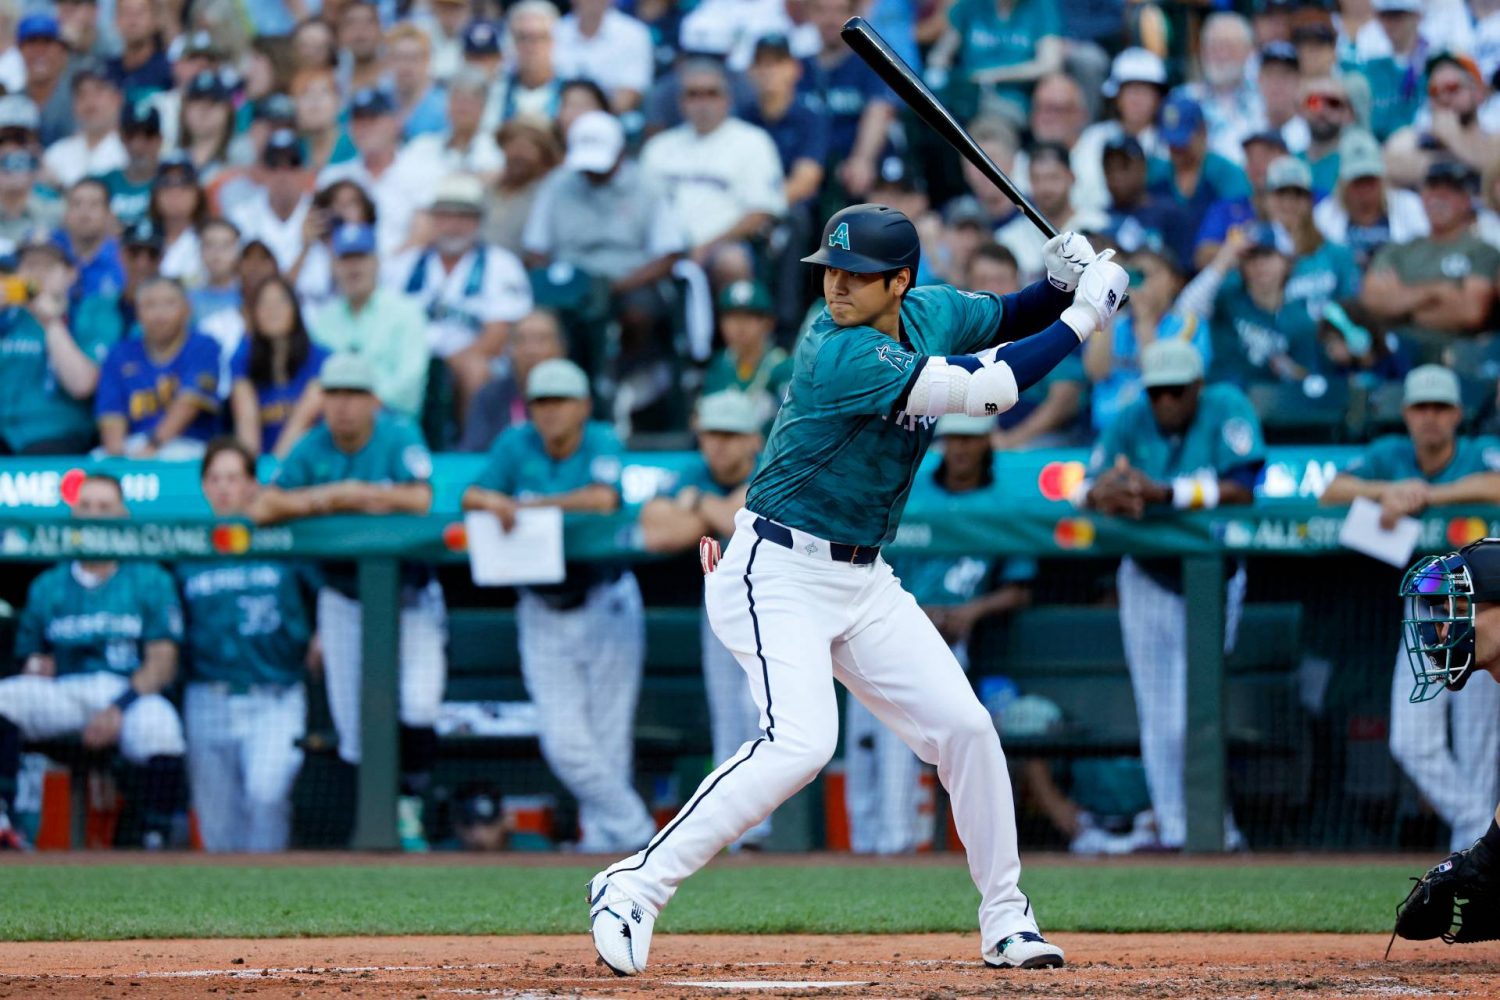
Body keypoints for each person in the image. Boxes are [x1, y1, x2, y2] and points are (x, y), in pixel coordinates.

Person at [587, 205, 1130, 975]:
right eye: (830, 270)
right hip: (774, 569)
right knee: (803, 743)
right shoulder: (834, 347)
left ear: (900, 282)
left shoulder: (931, 310)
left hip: (862, 577)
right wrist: (1085, 316)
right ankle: (633, 886)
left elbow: (1010, 315)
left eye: (856, 274)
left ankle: (1006, 919)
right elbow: (992, 389)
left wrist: (1057, 280)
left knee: (968, 731)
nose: (836, 284)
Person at [249, 352, 448, 852]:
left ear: (373, 401)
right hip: (342, 600)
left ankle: (409, 804)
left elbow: (421, 498)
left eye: (354, 395)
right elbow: (264, 507)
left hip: (410, 595)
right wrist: (331, 496)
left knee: (420, 705)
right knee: (355, 729)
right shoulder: (313, 446)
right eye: (334, 395)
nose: (343, 406)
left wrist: (357, 492)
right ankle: (375, 831)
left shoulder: (398, 434)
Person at [462, 358, 657, 854]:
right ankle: (641, 837)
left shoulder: (601, 440)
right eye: (541, 403)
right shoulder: (515, 443)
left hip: (605, 599)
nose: (549, 412)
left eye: (560, 402)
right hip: (541, 606)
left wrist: (525, 508)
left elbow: (602, 499)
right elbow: (471, 494)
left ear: (583, 406)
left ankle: (602, 847)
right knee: (564, 741)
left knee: (610, 740)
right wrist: (492, 503)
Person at [1077, 338, 1264, 851]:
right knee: (1158, 717)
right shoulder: (1132, 416)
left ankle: (1216, 829)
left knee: (1192, 713)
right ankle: (1179, 829)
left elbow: (1245, 483)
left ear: (1196, 388)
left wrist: (1163, 493)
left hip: (1213, 580)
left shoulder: (1225, 404)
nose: (1164, 403)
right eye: (1157, 393)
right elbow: (1082, 484)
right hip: (1145, 577)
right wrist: (1103, 493)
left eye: (1175, 393)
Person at [1322, 365, 1500, 853]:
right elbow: (1331, 491)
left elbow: (1496, 483)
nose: (1431, 419)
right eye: (1422, 408)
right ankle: (1482, 833)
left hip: (1485, 613)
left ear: (1458, 414)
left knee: (1479, 750)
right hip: (1429, 616)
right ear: (1406, 414)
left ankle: (1476, 863)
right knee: (1411, 740)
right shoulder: (1389, 455)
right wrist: (1388, 491)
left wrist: (1429, 496)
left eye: (1441, 408)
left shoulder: (1476, 453)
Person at [849, 412, 1035, 855]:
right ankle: (862, 849)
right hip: (890, 622)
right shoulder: (911, 490)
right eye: (954, 440)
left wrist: (971, 611)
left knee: (905, 730)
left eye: (971, 440)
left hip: (957, 640)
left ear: (987, 443)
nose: (962, 449)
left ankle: (894, 844)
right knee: (860, 740)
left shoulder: (1004, 501)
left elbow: (1020, 587)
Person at [0, 474, 187, 851]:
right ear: (73, 515)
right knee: (4, 697)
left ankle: (155, 839)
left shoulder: (149, 577)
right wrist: (36, 665)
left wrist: (118, 709)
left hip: (129, 692)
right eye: (86, 506)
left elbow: (163, 662)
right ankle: (3, 819)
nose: (94, 515)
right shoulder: (48, 584)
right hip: (65, 692)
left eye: (104, 507)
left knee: (162, 726)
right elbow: (29, 655)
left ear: (122, 515)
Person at [639, 390, 771, 849]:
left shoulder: (770, 467)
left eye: (731, 435)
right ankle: (732, 834)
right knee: (727, 720)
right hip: (720, 607)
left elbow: (740, 520)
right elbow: (655, 531)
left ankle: (762, 832)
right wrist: (711, 509)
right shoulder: (693, 473)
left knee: (759, 715)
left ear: (753, 440)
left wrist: (697, 506)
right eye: (713, 434)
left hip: (774, 607)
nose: (719, 445)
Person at [178, 439, 316, 853]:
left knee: (266, 795)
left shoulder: (281, 541)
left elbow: (327, 592)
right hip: (208, 696)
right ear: (204, 487)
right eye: (215, 479)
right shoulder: (186, 548)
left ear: (253, 485)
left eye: (233, 478)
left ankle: (269, 906)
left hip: (274, 695)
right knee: (218, 825)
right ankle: (224, 915)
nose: (224, 488)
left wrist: (321, 632)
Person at [522, 110, 685, 385]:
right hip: (569, 278)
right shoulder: (557, 185)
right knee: (542, 322)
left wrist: (614, 286)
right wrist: (553, 284)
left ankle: (625, 379)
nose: (592, 172)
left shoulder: (648, 186)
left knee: (639, 315)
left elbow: (669, 254)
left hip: (628, 279)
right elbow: (535, 249)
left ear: (621, 153)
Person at [386, 172, 532, 417]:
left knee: (474, 369)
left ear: (478, 221)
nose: (453, 226)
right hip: (411, 359)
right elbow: (386, 324)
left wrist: (451, 361)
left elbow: (499, 334)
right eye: (445, 216)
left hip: (471, 358)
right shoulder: (402, 266)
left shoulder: (502, 264)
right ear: (433, 220)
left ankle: (471, 449)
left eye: (464, 217)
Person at [639, 57, 785, 286]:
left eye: (711, 93)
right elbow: (643, 207)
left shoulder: (752, 141)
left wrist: (707, 247)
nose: (702, 102)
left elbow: (760, 211)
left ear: (727, 99)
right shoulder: (659, 147)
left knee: (732, 262)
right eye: (693, 94)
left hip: (724, 246)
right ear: (681, 102)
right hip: (663, 251)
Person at [1360, 161, 1500, 365]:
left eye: (1451, 190)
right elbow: (1371, 300)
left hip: (1456, 355)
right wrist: (1437, 292)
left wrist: (1402, 305)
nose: (1440, 197)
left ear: (1467, 200)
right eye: (1433, 188)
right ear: (1423, 196)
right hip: (1396, 354)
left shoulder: (1483, 250)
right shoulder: (1398, 249)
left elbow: (1471, 312)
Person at [308, 223, 430, 421]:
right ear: (334, 266)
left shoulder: (406, 312)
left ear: (377, 262)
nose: (353, 268)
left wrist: (362, 405)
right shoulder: (325, 319)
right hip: (334, 422)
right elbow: (315, 379)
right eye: (346, 260)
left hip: (390, 419)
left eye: (360, 258)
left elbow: (411, 382)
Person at [0, 241, 112, 454]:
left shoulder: (89, 315)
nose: (37, 274)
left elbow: (81, 385)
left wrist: (50, 322)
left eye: (48, 266)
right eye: (30, 266)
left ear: (71, 274)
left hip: (57, 436)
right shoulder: (9, 318)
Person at [95, 276, 221, 459]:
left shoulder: (203, 346)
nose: (159, 314)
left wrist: (151, 448)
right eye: (150, 305)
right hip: (133, 446)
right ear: (137, 312)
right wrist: (118, 459)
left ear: (187, 309)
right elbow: (111, 416)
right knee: (97, 463)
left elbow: (188, 404)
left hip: (188, 444)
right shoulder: (120, 353)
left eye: (169, 304)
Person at [230, 275, 329, 459]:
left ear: (296, 309)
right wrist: (253, 472)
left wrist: (275, 471)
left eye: (280, 302)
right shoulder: (243, 358)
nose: (272, 310)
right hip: (262, 466)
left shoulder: (321, 358)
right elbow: (246, 421)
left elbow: (303, 419)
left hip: (309, 463)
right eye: (264, 304)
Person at [1313, 129, 1429, 271]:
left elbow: (1425, 254)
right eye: (1357, 182)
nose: (1364, 189)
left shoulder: (1410, 205)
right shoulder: (1324, 215)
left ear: (1382, 179)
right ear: (1343, 183)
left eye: (1370, 180)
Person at [459, 307, 568, 453]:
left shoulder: (576, 396)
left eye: (541, 339)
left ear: (560, 348)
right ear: (509, 350)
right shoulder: (489, 397)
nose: (531, 350)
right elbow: (473, 455)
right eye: (521, 340)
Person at [1385, 53, 1500, 191]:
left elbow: (1492, 171)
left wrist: (1453, 138)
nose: (1444, 97)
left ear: (1477, 93)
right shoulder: (1414, 137)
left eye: (1452, 88)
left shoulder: (1493, 137)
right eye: (1434, 92)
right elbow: (1392, 163)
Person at [701, 280, 791, 434]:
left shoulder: (783, 367)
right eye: (732, 317)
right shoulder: (720, 364)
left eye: (749, 318)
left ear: (768, 323)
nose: (739, 326)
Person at [227, 130, 312, 274]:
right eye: (274, 164)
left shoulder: (318, 212)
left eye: (292, 164)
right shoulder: (242, 216)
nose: (283, 174)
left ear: (306, 171)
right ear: (261, 171)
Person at [553, 0, 653, 114]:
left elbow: (629, 95)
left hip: (611, 119)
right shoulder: (555, 30)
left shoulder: (634, 33)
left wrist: (591, 117)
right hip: (558, 115)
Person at [42, 61, 125, 189]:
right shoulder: (57, 154)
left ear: (117, 98)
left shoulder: (133, 150)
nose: (90, 102)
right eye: (81, 94)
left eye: (99, 91)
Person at [485, 0, 564, 128]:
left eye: (540, 37)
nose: (530, 46)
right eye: (522, 37)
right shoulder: (497, 90)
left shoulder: (569, 92)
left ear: (553, 41)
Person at [97, 101, 162, 228]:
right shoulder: (103, 183)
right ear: (121, 138)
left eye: (148, 135)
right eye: (130, 135)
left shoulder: (171, 183)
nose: (139, 145)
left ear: (160, 139)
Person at [151, 155, 209, 285]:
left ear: (197, 193)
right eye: (166, 184)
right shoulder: (141, 238)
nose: (175, 193)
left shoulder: (208, 238)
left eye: (184, 184)